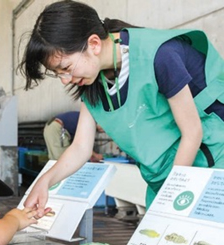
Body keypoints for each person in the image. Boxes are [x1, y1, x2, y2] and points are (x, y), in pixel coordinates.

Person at [18, 0, 224, 215]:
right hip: (166, 177)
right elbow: (80, 147)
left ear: (94, 44)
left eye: (66, 68)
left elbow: (192, 132)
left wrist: (171, 194)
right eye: (58, 73)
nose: (65, 80)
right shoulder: (92, 83)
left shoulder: (160, 56)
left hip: (210, 166)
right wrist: (44, 181)